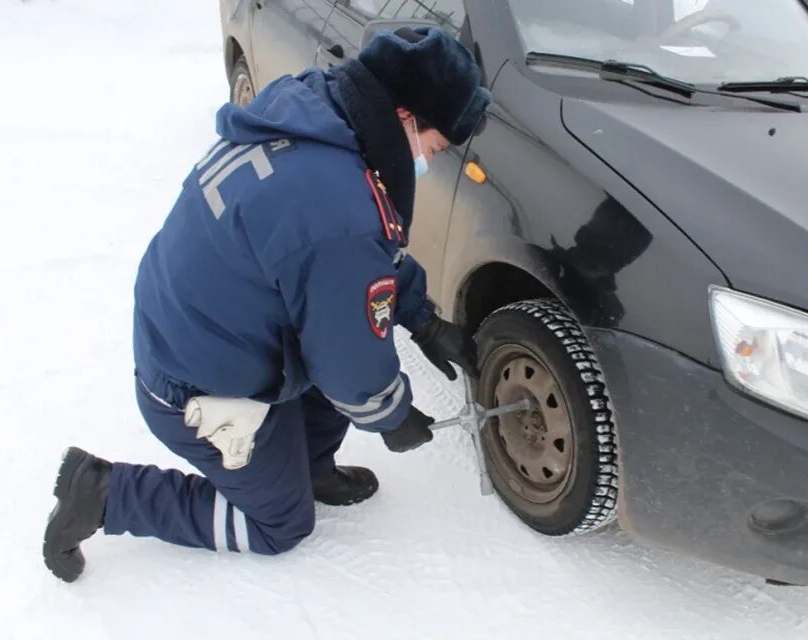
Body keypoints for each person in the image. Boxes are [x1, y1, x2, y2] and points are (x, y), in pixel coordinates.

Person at [42, 26, 492, 582]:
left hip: (199, 329)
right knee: (280, 524)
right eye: (434, 147)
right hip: (194, 384)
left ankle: (304, 466)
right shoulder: (336, 203)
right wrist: (392, 414)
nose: (428, 160)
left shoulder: (314, 115)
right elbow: (349, 352)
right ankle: (108, 495)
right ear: (403, 117)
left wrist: (421, 317)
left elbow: (350, 250)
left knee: (332, 347)